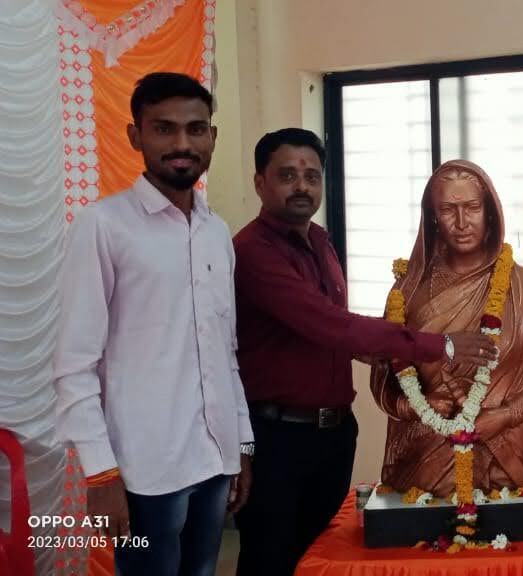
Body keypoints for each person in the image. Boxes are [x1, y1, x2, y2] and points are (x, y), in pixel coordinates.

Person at [231, 129, 496, 575]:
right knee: (271, 558)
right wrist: (442, 345)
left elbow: (331, 328)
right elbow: (329, 324)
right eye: (287, 175)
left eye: (312, 176)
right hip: (278, 438)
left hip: (333, 433)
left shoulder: (320, 241)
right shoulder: (253, 252)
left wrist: (382, 353)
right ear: (260, 183)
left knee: (320, 558)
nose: (302, 186)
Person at [54, 71, 248, 576]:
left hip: (214, 458)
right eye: (164, 129)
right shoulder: (104, 225)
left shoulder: (216, 232)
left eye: (195, 129)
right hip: (145, 469)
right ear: (135, 136)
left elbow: (225, 353)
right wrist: (100, 473)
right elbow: (74, 364)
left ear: (212, 137)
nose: (182, 144)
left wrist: (242, 447)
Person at [370, 160, 523, 495]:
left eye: (472, 208)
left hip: (511, 458)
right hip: (427, 460)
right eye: (448, 210)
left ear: (490, 212)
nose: (462, 222)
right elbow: (383, 374)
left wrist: (505, 416)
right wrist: (418, 407)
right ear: (433, 217)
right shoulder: (408, 291)